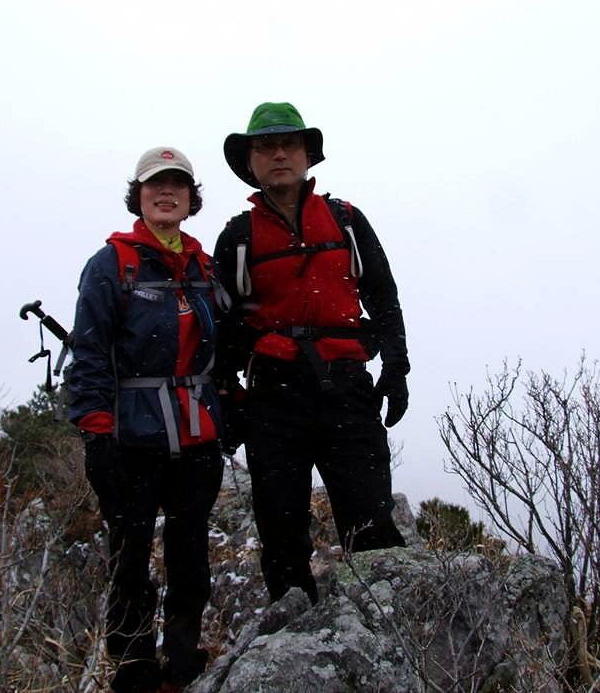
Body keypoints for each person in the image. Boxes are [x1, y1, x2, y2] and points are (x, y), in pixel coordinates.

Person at [214, 102, 410, 605]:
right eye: (265, 146)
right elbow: (222, 327)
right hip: (272, 400)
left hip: (347, 388)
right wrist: (225, 396)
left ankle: (387, 640)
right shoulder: (236, 238)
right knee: (282, 538)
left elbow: (383, 295)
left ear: (307, 155)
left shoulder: (345, 220)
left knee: (371, 527)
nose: (278, 154)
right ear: (250, 162)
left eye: (289, 144)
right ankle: (290, 640)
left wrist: (396, 367)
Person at [68, 147, 225, 693]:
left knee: (191, 553)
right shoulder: (113, 264)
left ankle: (182, 655)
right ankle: (134, 663)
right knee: (130, 554)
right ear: (138, 195)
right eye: (156, 184)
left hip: (197, 437)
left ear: (191, 199)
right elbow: (87, 352)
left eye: (178, 185)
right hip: (131, 437)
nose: (167, 193)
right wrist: (95, 430)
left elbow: (220, 350)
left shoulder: (205, 266)